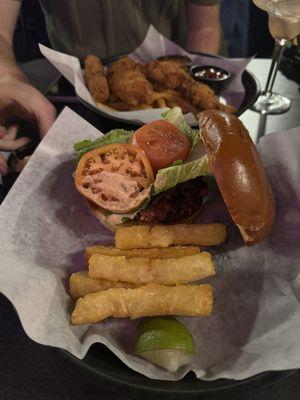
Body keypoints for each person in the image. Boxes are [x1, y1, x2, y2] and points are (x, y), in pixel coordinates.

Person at [0, 0, 222, 173]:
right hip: (75, 92)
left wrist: (193, 95)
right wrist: (6, 77)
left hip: (171, 100)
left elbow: (204, 28)